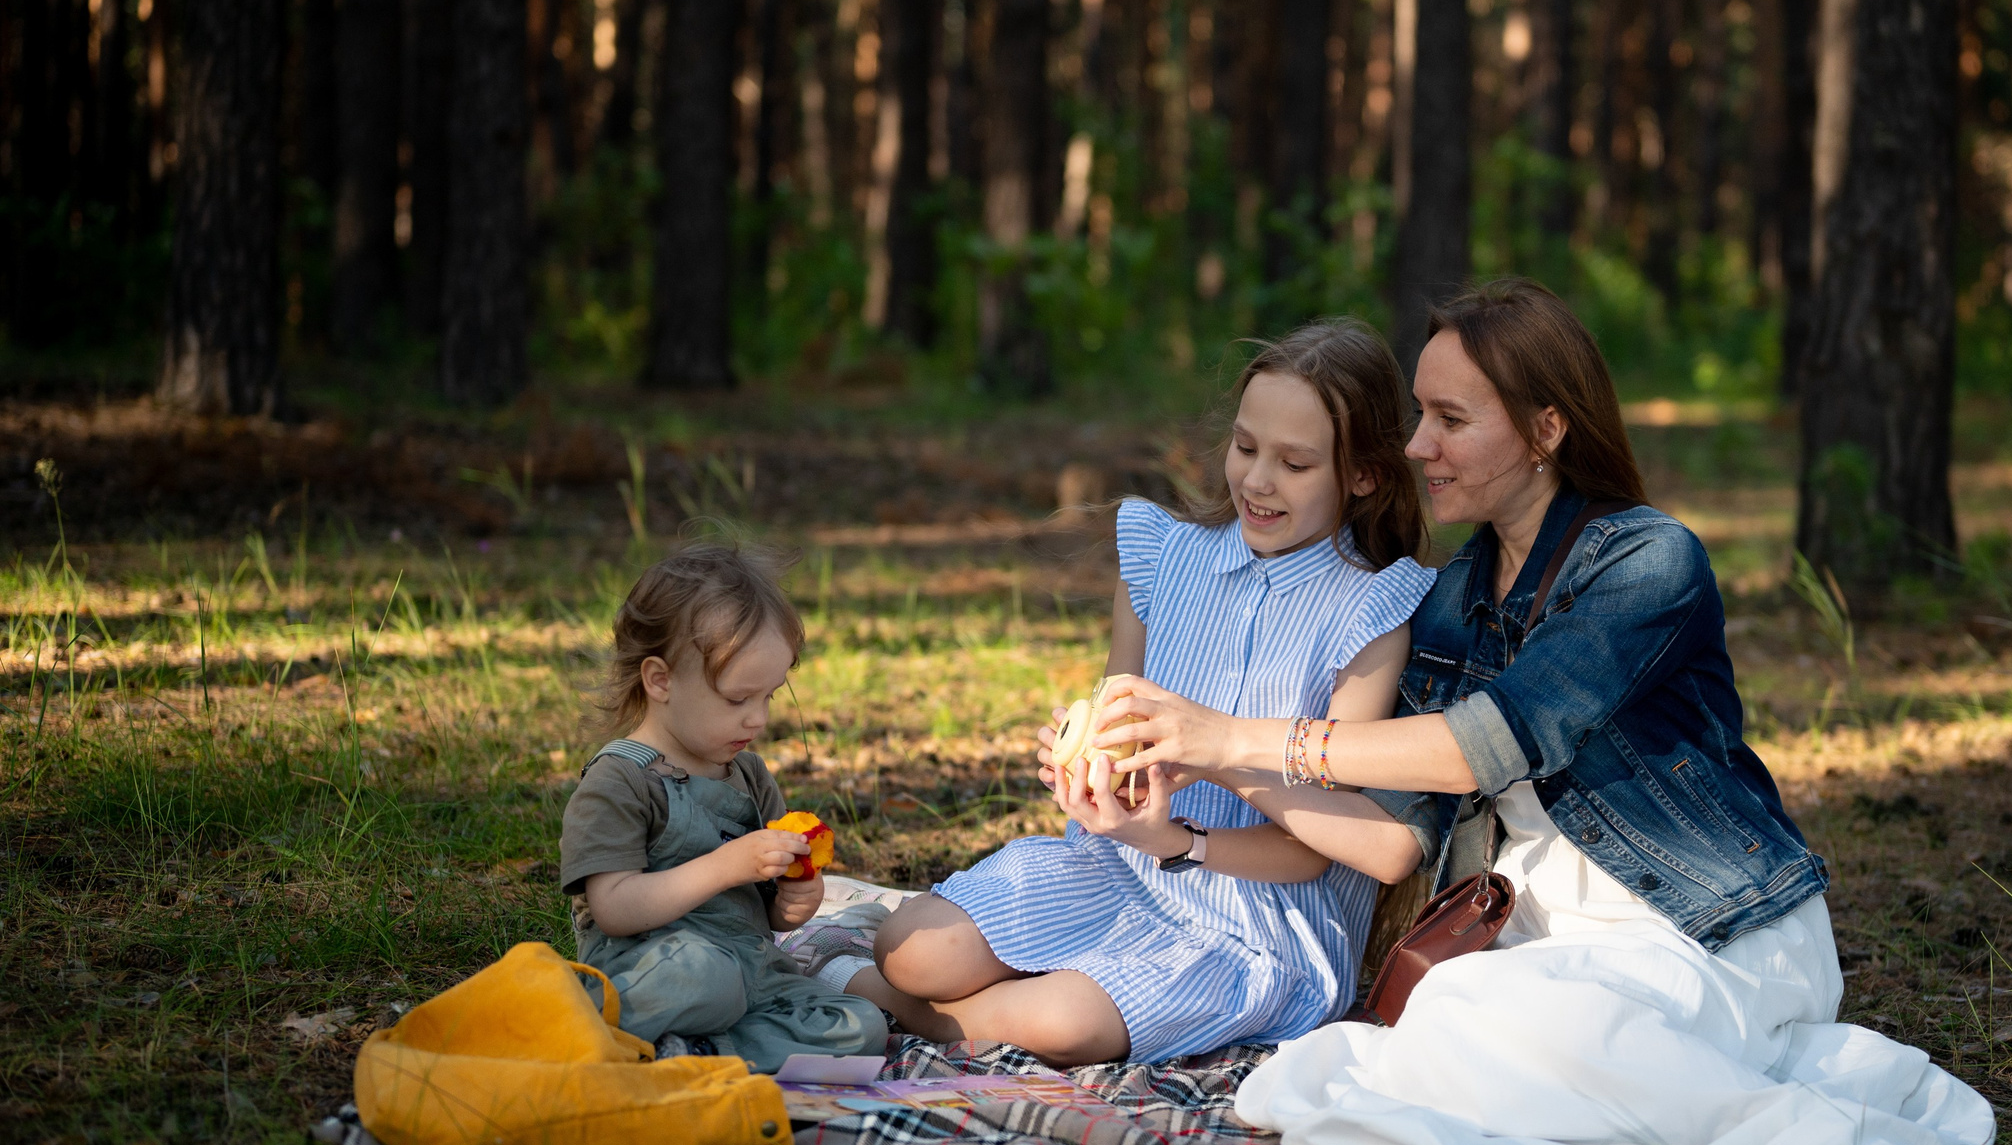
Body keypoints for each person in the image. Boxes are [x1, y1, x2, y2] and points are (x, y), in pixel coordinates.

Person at [1088, 279, 2012, 1145]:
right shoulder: (1447, 602)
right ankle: (1767, 1097)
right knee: (1391, 1048)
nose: (1417, 445)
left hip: (1706, 930)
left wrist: (1241, 739)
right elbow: (1401, 828)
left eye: (1449, 418)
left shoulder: (1648, 562)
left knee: (1461, 1043)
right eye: (1418, 415)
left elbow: (1493, 738)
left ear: (1545, 428)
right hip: (1539, 947)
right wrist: (1177, 816)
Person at [845, 319, 1437, 1066]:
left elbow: (1315, 853)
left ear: (1363, 475)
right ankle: (911, 987)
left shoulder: (1369, 612)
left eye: (1295, 463)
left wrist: (1185, 828)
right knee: (912, 947)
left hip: (1256, 917)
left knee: (1065, 1023)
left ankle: (897, 1007)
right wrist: (1093, 772)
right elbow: (1120, 731)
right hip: (1117, 864)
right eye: (1246, 447)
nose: (1257, 480)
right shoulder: (1165, 557)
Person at [558, 542, 889, 1071]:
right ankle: (571, 1024)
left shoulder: (750, 777)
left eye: (769, 697)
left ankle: (690, 1056)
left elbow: (768, 915)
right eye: (738, 699)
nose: (757, 719)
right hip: (657, 969)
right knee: (706, 978)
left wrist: (796, 895)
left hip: (752, 971)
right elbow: (614, 909)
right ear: (660, 680)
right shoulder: (619, 779)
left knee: (862, 1028)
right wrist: (724, 867)